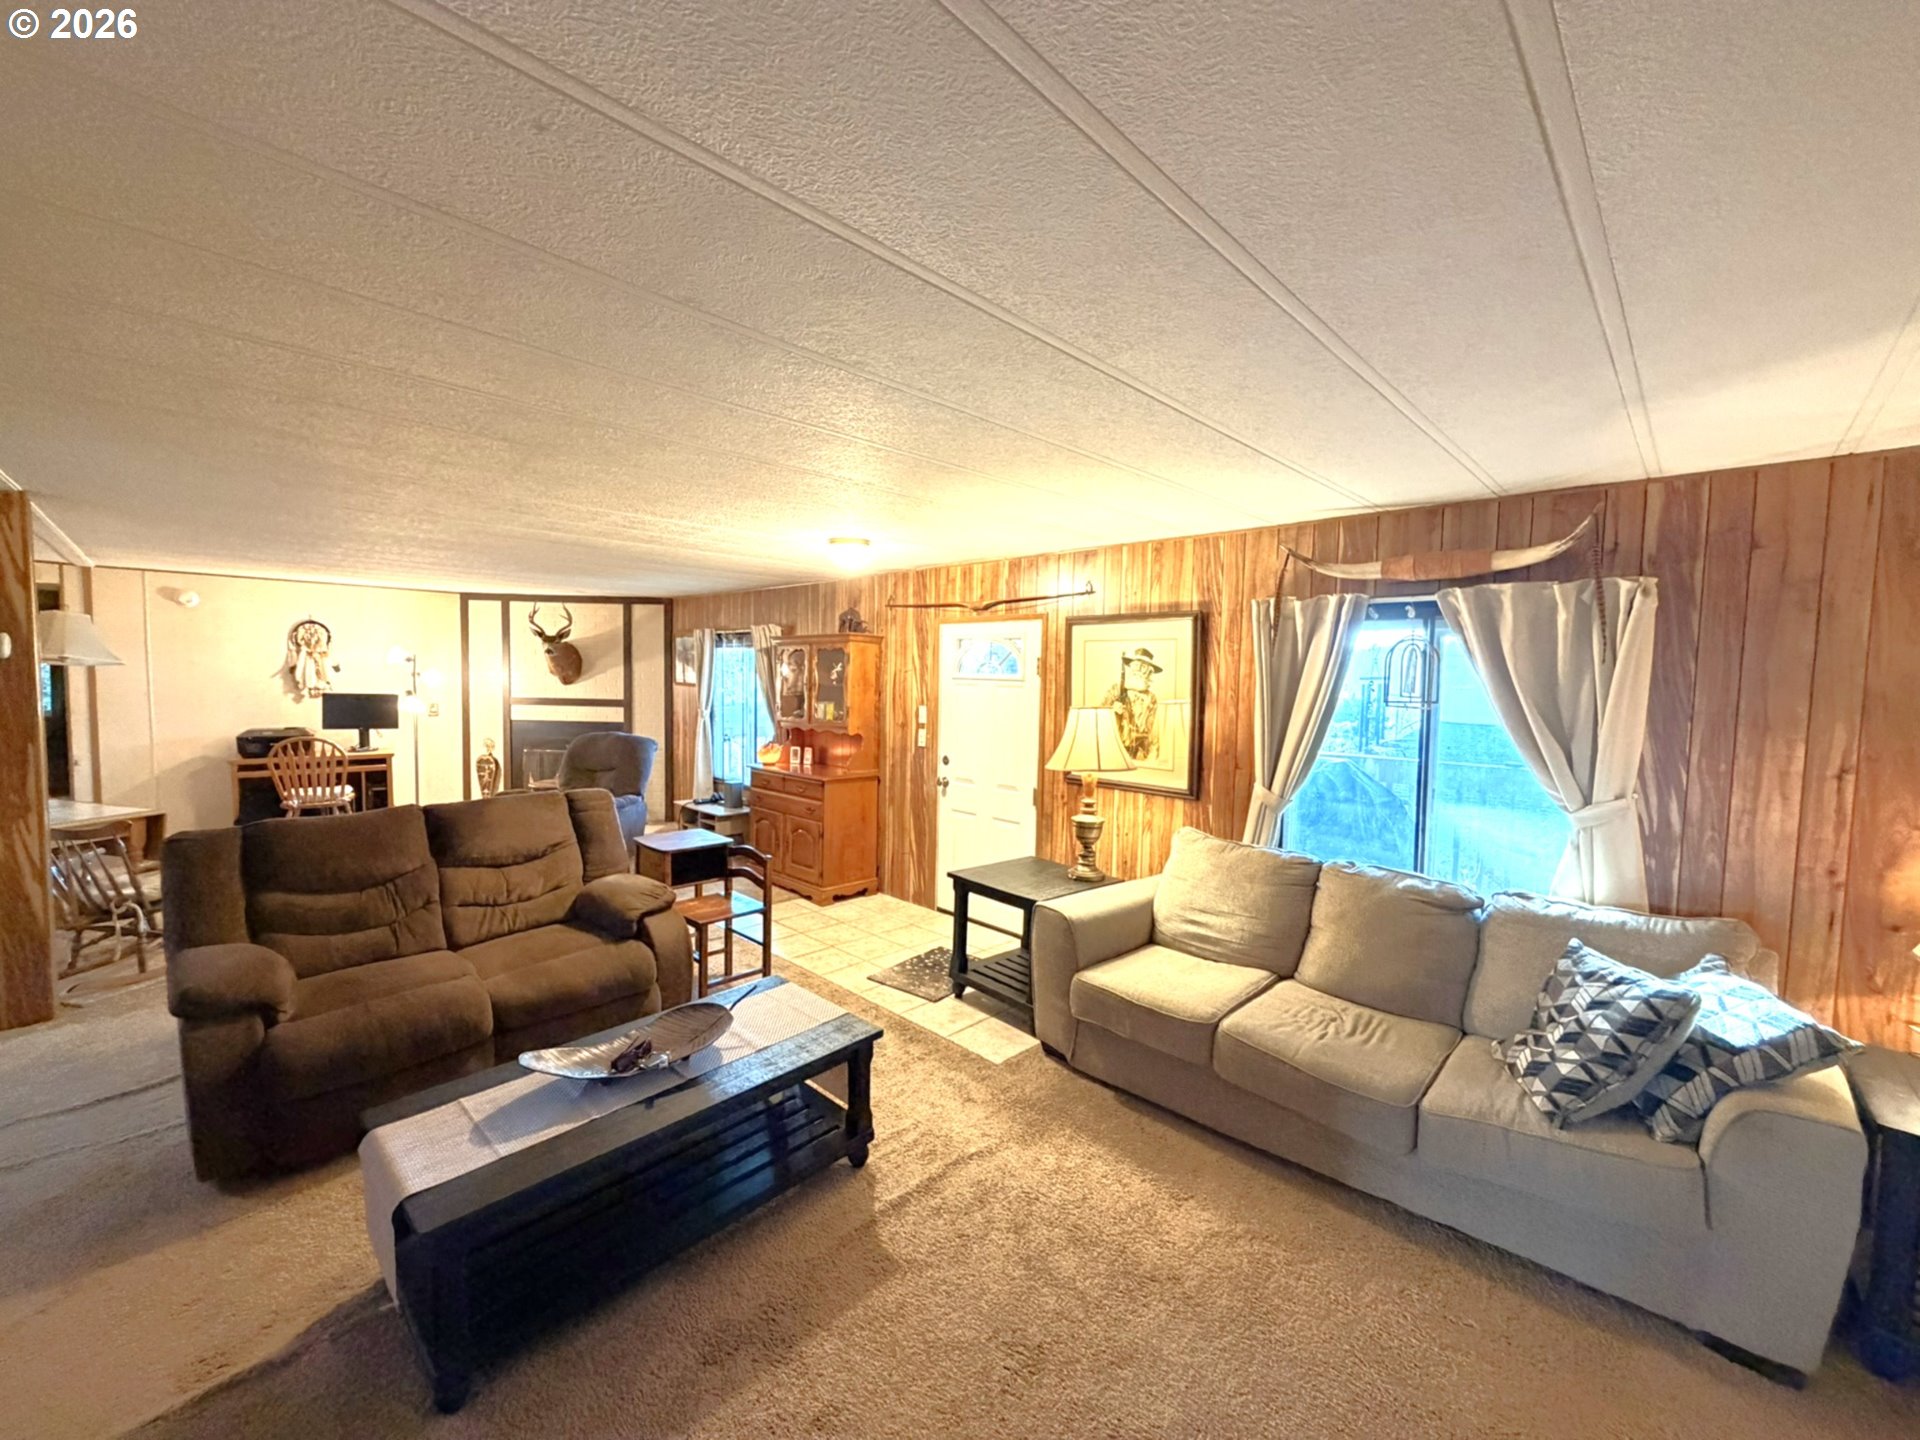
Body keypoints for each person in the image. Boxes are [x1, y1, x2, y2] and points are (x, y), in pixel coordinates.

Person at [1100, 647, 1162, 762]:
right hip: (1116, 747)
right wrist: (1113, 710)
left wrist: (1152, 753)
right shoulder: (1116, 689)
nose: (1139, 672)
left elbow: (1153, 729)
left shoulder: (1151, 698)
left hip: (1141, 751)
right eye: (1136, 667)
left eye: (1143, 668)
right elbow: (1099, 712)